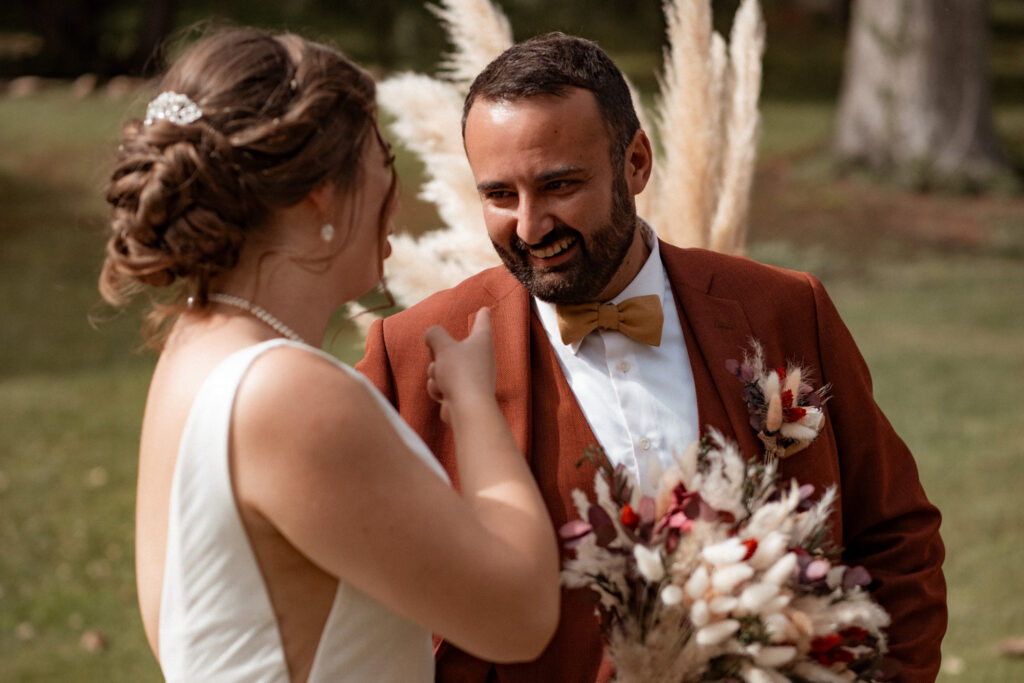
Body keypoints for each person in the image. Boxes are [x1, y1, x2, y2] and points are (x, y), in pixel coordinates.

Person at [357, 32, 946, 682]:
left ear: (636, 162)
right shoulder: (413, 351)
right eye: (499, 195)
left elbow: (896, 534)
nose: (528, 226)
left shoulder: (783, 308)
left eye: (559, 185)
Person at [99, 27, 559, 682]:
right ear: (318, 190)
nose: (393, 195)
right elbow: (520, 613)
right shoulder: (284, 394)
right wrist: (475, 402)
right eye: (383, 159)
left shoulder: (195, 345)